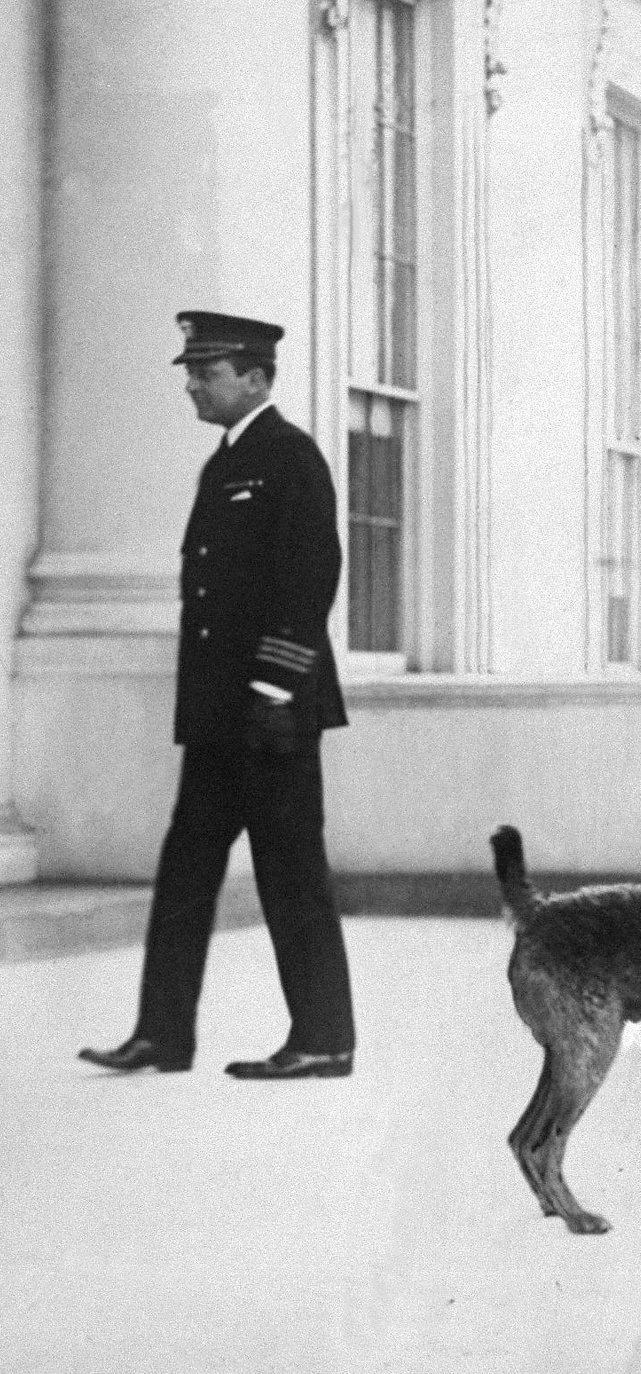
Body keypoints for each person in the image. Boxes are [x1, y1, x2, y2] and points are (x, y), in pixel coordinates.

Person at [80, 312, 355, 1080]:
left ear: (258, 378)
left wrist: (271, 687)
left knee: (290, 873)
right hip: (218, 717)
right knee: (186, 871)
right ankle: (162, 1034)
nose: (194, 387)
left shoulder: (292, 458)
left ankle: (325, 1039)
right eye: (192, 373)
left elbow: (310, 582)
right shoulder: (224, 464)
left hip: (271, 713)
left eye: (208, 373)